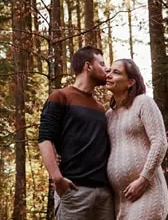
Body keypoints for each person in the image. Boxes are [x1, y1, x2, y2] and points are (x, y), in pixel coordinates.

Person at [38, 46, 115, 220]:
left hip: (105, 195)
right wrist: (57, 178)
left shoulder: (100, 108)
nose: (107, 69)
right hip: (74, 191)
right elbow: (45, 138)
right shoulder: (60, 97)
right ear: (88, 66)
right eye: (102, 64)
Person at [105, 58, 168, 220]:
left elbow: (160, 142)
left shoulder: (143, 103)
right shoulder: (109, 115)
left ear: (130, 82)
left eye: (116, 72)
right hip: (120, 199)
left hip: (147, 190)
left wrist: (143, 179)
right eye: (109, 71)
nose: (109, 75)